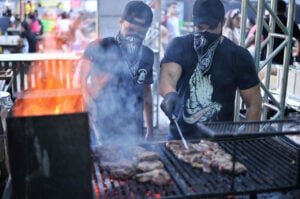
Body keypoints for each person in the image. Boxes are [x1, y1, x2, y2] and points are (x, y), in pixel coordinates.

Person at [159, 0, 262, 141]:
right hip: (181, 138)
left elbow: (253, 103)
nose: (205, 33)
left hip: (221, 141)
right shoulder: (179, 45)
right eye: (200, 27)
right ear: (193, 21)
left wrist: (250, 141)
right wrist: (170, 93)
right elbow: (168, 75)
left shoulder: (238, 56)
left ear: (223, 22)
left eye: (211, 27)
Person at [72, 1, 154, 145]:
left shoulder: (147, 55)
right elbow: (78, 79)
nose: (134, 37)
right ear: (120, 21)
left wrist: (150, 129)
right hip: (103, 126)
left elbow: (146, 92)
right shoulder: (99, 46)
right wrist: (87, 99)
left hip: (134, 127)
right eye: (130, 30)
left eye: (141, 33)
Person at [262, 0, 300, 65]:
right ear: (285, 10)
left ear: (273, 8)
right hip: (285, 60)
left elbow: (256, 37)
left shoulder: (266, 21)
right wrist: (297, 53)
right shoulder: (291, 23)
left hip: (267, 58)